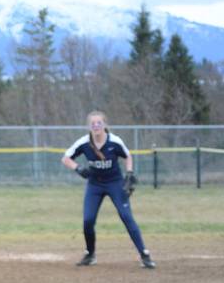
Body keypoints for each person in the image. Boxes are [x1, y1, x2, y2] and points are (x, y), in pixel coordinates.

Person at [62, 111, 155, 269]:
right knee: (88, 220)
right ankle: (90, 254)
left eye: (99, 123)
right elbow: (65, 158)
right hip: (94, 185)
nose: (96, 126)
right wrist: (78, 168)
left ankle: (144, 254)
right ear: (89, 126)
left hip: (115, 183)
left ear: (104, 125)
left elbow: (127, 156)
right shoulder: (84, 142)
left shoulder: (114, 141)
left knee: (126, 217)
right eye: (93, 123)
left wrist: (130, 173)